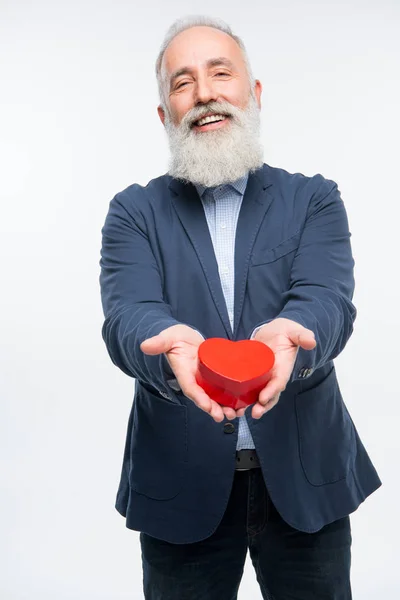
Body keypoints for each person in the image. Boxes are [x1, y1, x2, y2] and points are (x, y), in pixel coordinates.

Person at [99, 15, 382, 600]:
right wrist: (169, 343)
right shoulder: (133, 212)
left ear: (253, 94)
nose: (204, 93)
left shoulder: (314, 198)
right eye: (182, 83)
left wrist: (294, 334)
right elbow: (129, 312)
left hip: (306, 481)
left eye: (220, 73)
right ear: (164, 115)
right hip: (180, 485)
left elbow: (328, 298)